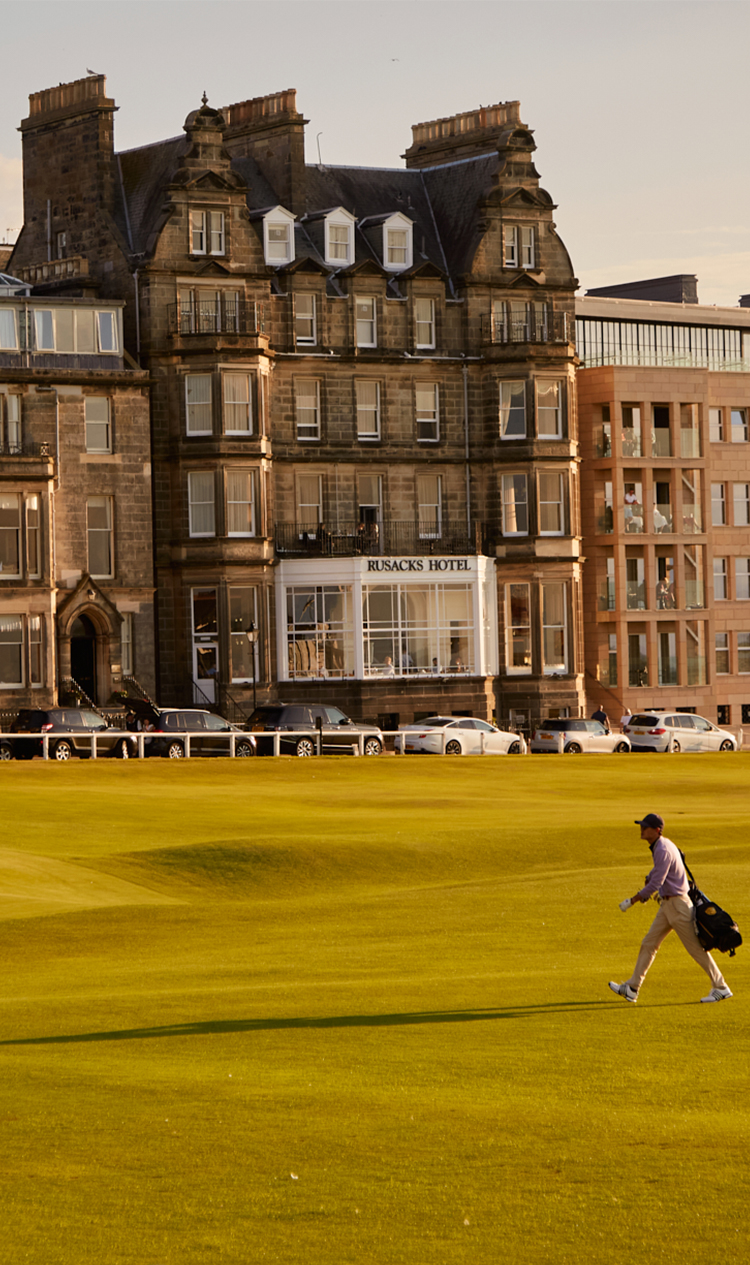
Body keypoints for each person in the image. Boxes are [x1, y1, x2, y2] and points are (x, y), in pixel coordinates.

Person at [609, 813, 733, 1004]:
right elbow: (659, 872)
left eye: (645, 827)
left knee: (695, 949)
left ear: (657, 830)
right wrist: (649, 878)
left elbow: (656, 883)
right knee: (649, 943)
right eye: (641, 826)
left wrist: (632, 900)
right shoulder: (662, 845)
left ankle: (721, 987)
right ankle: (632, 988)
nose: (642, 829)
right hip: (669, 905)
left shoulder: (662, 849)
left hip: (677, 906)